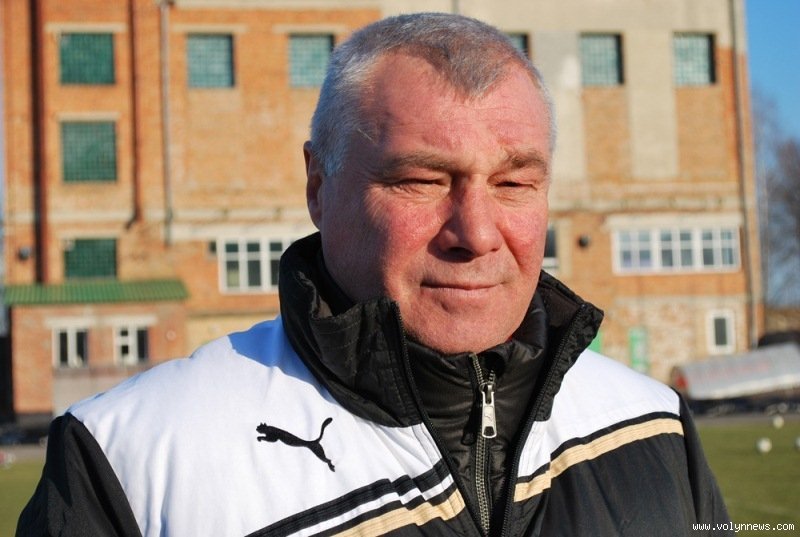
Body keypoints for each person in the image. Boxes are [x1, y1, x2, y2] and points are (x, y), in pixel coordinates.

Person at [18, 13, 732, 537]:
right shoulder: (126, 463)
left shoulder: (652, 422)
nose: (477, 234)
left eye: (514, 184)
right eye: (422, 180)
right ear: (318, 186)